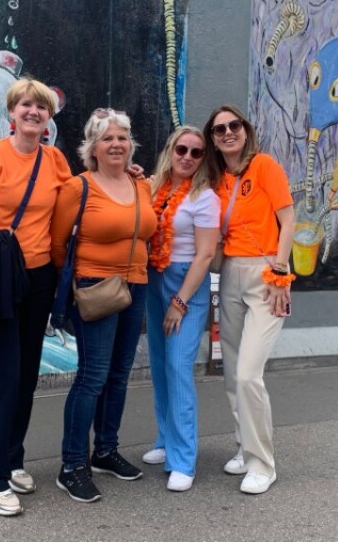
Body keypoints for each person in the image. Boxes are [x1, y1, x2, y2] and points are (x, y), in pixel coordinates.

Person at [0, 78, 71, 516]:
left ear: (48, 118)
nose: (33, 113)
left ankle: (14, 457)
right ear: (12, 113)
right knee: (4, 377)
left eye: (40, 108)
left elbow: (76, 199)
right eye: (25, 105)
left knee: (26, 374)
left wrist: (134, 177)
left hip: (39, 278)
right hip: (0, 277)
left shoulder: (54, 159)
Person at [50, 108, 157, 503]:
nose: (116, 144)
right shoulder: (79, 188)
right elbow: (58, 244)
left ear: (131, 145)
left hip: (136, 285)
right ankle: (72, 464)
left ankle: (106, 451)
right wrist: (81, 282)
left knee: (120, 372)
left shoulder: (140, 184)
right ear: (92, 147)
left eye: (122, 138)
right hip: (95, 285)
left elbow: (147, 231)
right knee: (92, 375)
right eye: (107, 138)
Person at [204, 105, 294, 495]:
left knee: (248, 374)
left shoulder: (265, 167)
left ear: (245, 128)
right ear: (212, 137)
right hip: (229, 275)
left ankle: (262, 462)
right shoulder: (217, 179)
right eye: (219, 128)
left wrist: (280, 270)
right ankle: (244, 445)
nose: (228, 132)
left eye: (233, 125)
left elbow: (288, 219)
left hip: (265, 274)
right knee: (232, 370)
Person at [141, 126, 220, 492]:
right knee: (159, 365)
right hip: (154, 279)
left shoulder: (205, 197)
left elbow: (205, 255)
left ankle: (183, 459)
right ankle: (164, 440)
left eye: (196, 152)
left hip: (186, 284)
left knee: (178, 366)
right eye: (182, 149)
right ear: (170, 149)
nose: (187, 157)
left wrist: (180, 302)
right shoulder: (155, 186)